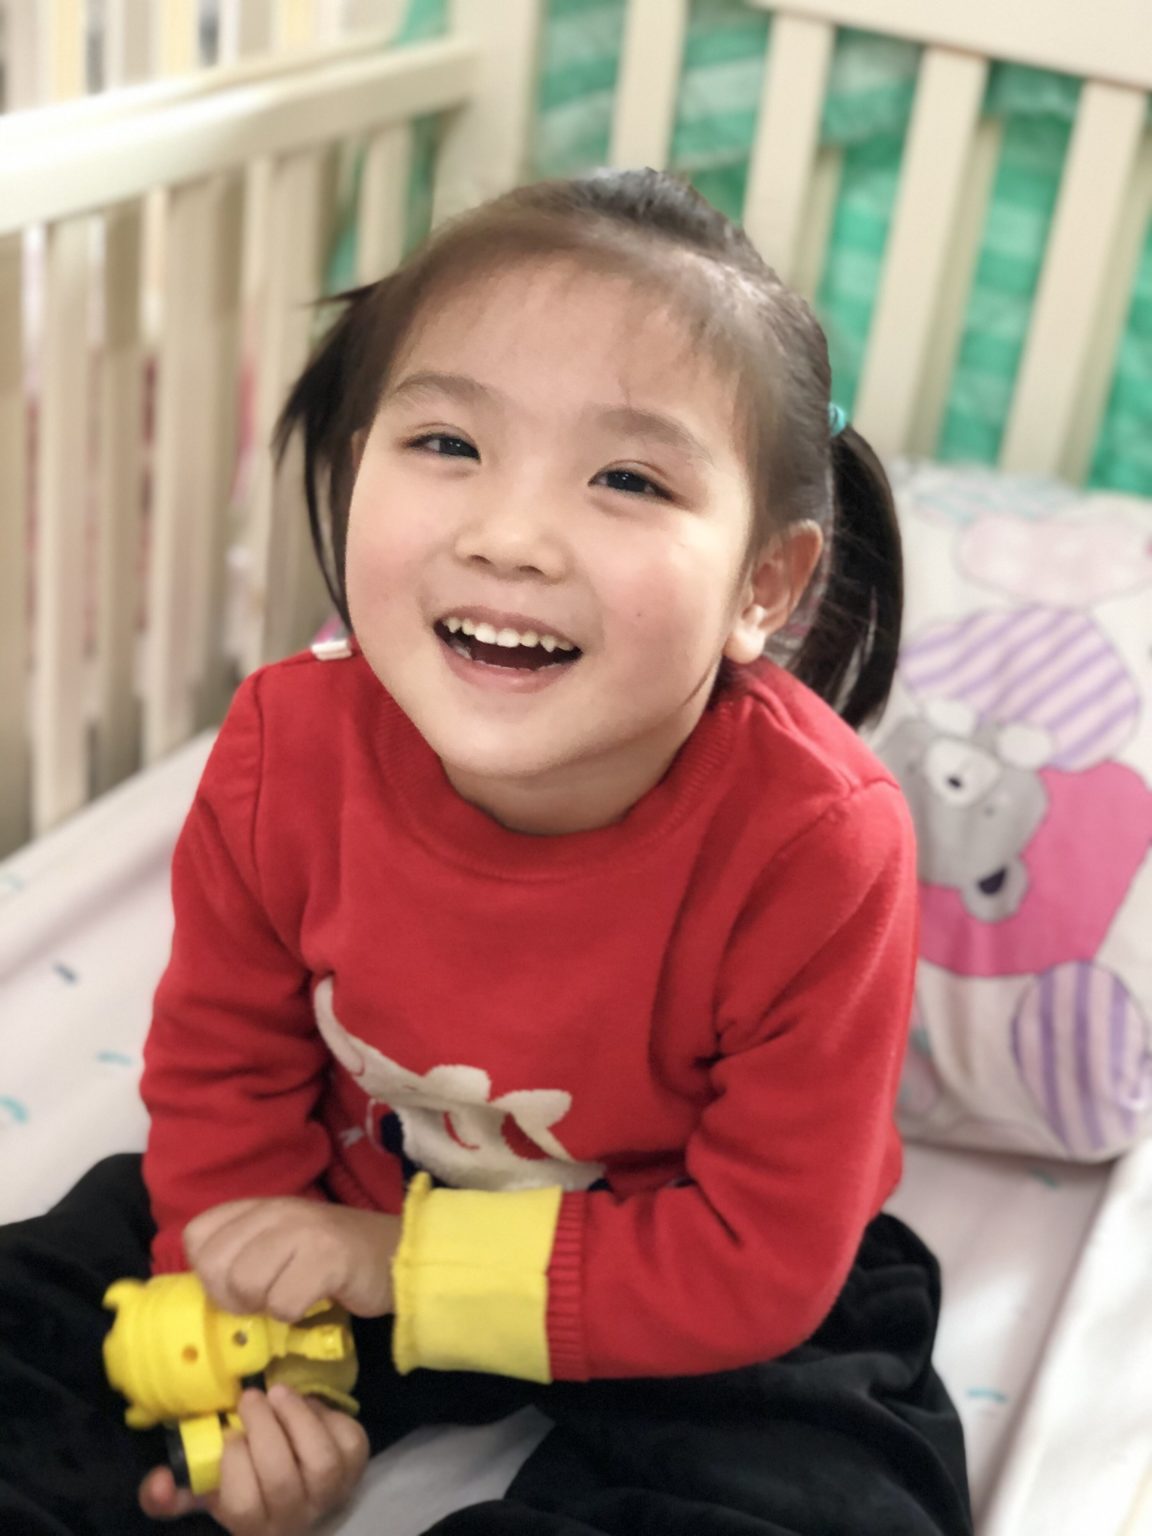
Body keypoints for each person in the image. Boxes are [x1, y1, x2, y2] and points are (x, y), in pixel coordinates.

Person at [0, 168, 972, 1536]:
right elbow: (227, 1070)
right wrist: (259, 1368)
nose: (508, 538)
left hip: (684, 1270)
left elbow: (758, 1247)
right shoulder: (285, 748)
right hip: (348, 1181)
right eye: (447, 442)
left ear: (764, 584)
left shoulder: (818, 843)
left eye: (627, 478)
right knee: (44, 1333)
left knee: (825, 1494)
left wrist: (403, 1266)